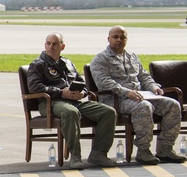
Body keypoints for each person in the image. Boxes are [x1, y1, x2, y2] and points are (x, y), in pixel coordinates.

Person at [89, 25, 186, 165]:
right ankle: (143, 150)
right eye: (115, 37)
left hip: (139, 95)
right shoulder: (100, 59)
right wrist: (126, 92)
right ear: (108, 39)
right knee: (144, 107)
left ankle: (165, 148)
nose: (119, 40)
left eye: (122, 37)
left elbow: (144, 76)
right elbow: (104, 82)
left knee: (172, 105)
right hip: (115, 99)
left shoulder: (132, 57)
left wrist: (153, 87)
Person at [28, 33, 118, 169]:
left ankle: (99, 153)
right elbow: (34, 87)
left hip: (74, 101)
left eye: (55, 44)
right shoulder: (38, 65)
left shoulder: (68, 63)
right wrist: (60, 92)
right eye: (48, 43)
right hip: (51, 103)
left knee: (108, 112)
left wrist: (82, 93)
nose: (51, 46)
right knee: (71, 112)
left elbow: (82, 84)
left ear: (62, 46)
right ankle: (75, 155)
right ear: (45, 45)